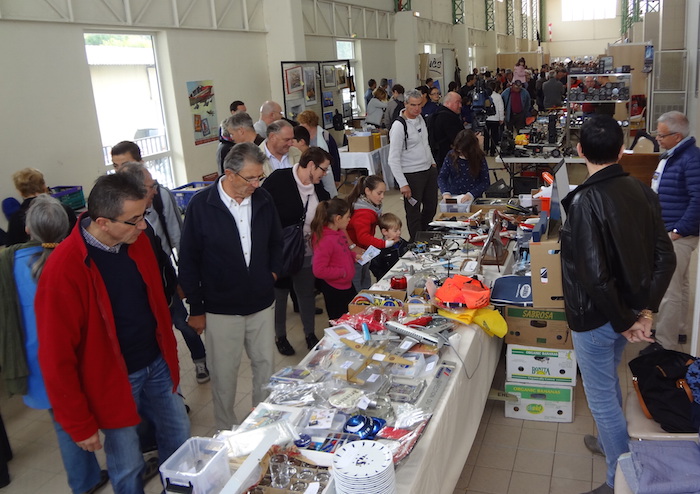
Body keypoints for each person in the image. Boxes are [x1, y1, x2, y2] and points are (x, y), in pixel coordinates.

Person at [35, 173, 191, 494]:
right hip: (112, 380)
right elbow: (55, 357)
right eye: (134, 220)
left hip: (156, 364)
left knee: (179, 439)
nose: (143, 227)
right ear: (103, 222)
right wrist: (79, 423)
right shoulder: (64, 269)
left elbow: (156, 307)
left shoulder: (138, 241)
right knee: (127, 464)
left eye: (144, 215)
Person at [560, 116, 676, 494]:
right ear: (622, 149)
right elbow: (666, 258)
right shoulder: (642, 192)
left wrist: (629, 319)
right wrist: (644, 312)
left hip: (598, 317)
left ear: (580, 152)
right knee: (608, 383)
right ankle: (611, 443)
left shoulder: (585, 201)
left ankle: (618, 480)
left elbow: (594, 277)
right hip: (624, 313)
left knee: (603, 399)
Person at [0, 195, 109, 494]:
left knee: (65, 422)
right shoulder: (75, 261)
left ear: (27, 230)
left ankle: (84, 482)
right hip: (83, 355)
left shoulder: (9, 265)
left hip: (40, 363)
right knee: (105, 415)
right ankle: (108, 467)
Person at [179, 142, 282, 430]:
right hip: (221, 309)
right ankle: (226, 431)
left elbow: (276, 241)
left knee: (265, 370)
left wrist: (271, 274)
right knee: (224, 375)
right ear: (229, 173)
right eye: (250, 178)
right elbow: (188, 261)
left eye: (259, 177)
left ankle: (263, 427)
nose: (256, 184)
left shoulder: (263, 199)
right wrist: (196, 308)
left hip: (261, 304)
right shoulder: (202, 206)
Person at [112, 141, 209, 384]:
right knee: (157, 337)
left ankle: (200, 360)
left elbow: (178, 238)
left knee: (182, 324)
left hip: (163, 278)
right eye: (115, 166)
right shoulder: (115, 207)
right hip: (138, 288)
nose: (120, 171)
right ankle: (169, 385)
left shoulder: (159, 196)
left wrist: (181, 279)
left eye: (125, 164)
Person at [261, 147, 331, 355]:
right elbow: (263, 213)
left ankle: (310, 334)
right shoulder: (279, 180)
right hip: (282, 251)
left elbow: (326, 212)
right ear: (311, 165)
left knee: (305, 294)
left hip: (308, 252)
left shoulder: (318, 188)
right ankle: (280, 336)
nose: (325, 174)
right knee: (280, 295)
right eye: (323, 169)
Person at [648, 111, 700, 352]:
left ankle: (664, 344)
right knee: (681, 284)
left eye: (662, 134)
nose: (657, 138)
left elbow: (698, 200)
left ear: (677, 136)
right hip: (669, 228)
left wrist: (679, 230)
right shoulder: (673, 155)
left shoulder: (690, 159)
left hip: (677, 233)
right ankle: (678, 328)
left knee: (669, 290)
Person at [387, 89, 438, 242]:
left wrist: (432, 162)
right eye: (413, 105)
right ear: (405, 104)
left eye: (419, 105)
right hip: (411, 174)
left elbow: (425, 143)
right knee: (413, 211)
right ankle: (416, 240)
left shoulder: (420, 118)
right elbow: (393, 159)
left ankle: (423, 234)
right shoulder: (398, 126)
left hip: (428, 170)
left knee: (431, 207)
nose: (417, 109)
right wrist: (403, 184)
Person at [311, 198, 357, 320]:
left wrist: (353, 257)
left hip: (347, 284)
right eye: (347, 217)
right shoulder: (325, 241)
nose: (349, 220)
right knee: (339, 321)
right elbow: (319, 270)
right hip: (335, 289)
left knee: (353, 316)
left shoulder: (339, 232)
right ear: (338, 219)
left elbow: (342, 253)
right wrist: (342, 272)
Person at [6, 168, 77, 246]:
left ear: (20, 192)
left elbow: (12, 247)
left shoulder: (16, 218)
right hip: (65, 251)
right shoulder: (65, 210)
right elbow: (76, 236)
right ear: (44, 187)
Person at [346, 175, 393, 291]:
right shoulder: (363, 212)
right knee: (357, 282)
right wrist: (383, 243)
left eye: (384, 193)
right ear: (367, 191)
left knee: (365, 276)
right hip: (355, 254)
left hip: (363, 252)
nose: (382, 197)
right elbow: (362, 237)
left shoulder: (370, 207)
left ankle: (365, 297)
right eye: (379, 193)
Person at [297, 110, 341, 198]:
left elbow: (335, 157)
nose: (301, 125)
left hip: (325, 172)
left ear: (310, 123)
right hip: (311, 173)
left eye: (303, 123)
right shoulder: (302, 136)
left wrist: (337, 178)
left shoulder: (325, 136)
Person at [438, 130, 490, 202]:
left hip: (474, 199)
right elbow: (442, 177)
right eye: (459, 151)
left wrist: (471, 194)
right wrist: (445, 193)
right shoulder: (451, 156)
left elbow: (485, 182)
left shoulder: (479, 157)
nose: (461, 154)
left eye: (464, 152)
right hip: (454, 197)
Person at [427, 91, 464, 169]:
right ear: (448, 103)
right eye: (457, 102)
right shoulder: (448, 118)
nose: (460, 105)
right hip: (449, 160)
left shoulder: (438, 113)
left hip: (439, 158)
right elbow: (458, 140)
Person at [369, 212, 409, 280]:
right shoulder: (377, 249)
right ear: (385, 232)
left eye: (399, 229)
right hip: (387, 280)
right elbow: (374, 267)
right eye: (395, 231)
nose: (399, 232)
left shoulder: (403, 243)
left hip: (404, 275)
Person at [484, 82, 504, 156]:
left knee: (486, 135)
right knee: (494, 135)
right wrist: (501, 118)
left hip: (486, 118)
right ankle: (492, 151)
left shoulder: (484, 96)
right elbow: (501, 108)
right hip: (495, 118)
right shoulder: (498, 96)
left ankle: (485, 150)